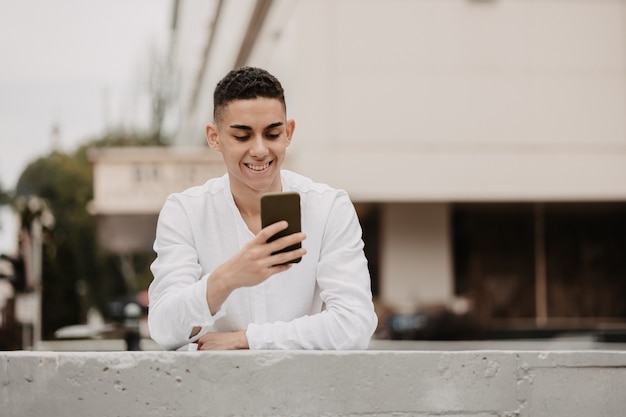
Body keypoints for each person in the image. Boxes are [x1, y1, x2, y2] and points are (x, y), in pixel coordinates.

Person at [148, 66, 377, 350]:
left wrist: (248, 339)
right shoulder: (184, 212)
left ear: (288, 132)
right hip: (216, 391)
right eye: (242, 136)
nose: (259, 149)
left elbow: (354, 325)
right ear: (214, 137)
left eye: (272, 134)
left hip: (303, 391)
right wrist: (227, 278)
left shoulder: (329, 208)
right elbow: (164, 328)